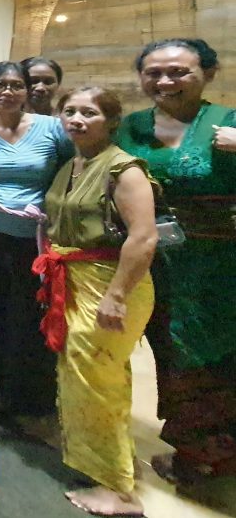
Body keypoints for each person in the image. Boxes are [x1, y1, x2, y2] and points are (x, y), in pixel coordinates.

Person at [115, 38, 236, 483]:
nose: (165, 81)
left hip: (218, 267)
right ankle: (190, 447)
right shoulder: (129, 127)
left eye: (179, 71)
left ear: (208, 73)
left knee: (218, 357)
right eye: (154, 72)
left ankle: (215, 454)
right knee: (168, 356)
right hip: (153, 264)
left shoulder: (228, 123)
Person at [39, 87, 157, 517]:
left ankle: (120, 493)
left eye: (88, 112)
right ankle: (112, 467)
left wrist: (117, 296)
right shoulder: (73, 164)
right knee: (97, 379)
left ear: (111, 120)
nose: (77, 119)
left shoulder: (124, 169)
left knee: (95, 383)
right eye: (69, 111)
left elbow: (144, 238)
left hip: (110, 286)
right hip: (74, 281)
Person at [0, 61, 73, 415]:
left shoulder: (53, 128)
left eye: (15, 85)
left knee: (35, 313)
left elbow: (73, 173)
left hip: (38, 240)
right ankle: (2, 389)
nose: (7, 92)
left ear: (27, 90)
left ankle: (39, 395)